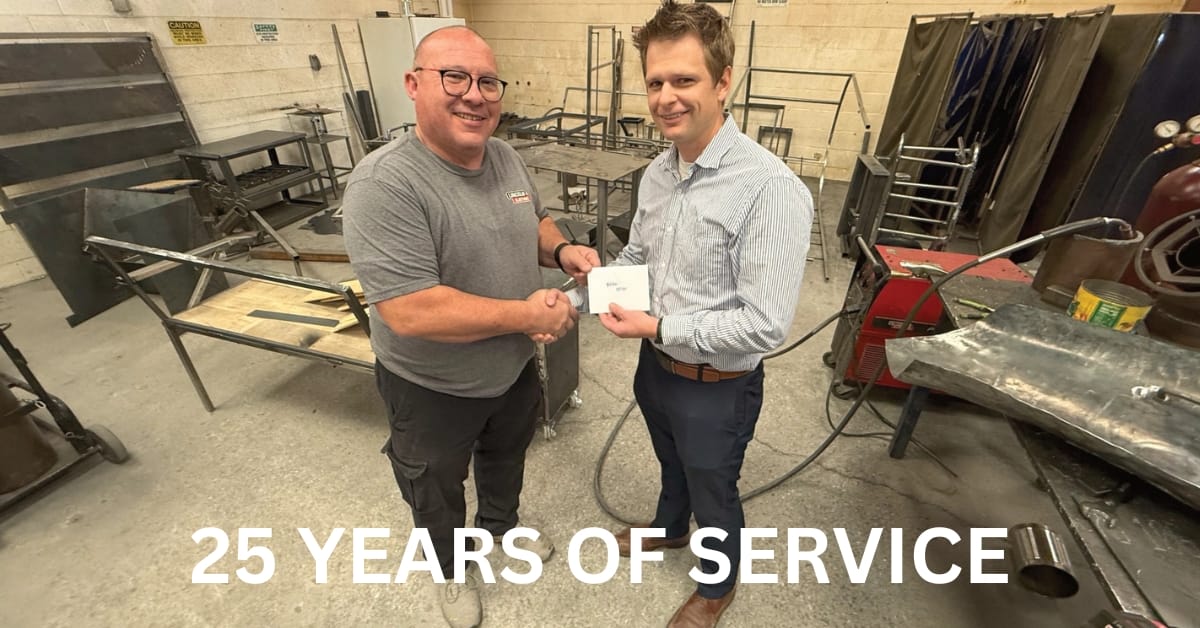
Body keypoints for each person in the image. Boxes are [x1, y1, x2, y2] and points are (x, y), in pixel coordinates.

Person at [340, 25, 599, 628]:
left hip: (509, 367)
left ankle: (501, 530)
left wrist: (562, 252)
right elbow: (410, 309)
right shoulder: (386, 184)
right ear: (414, 84)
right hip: (431, 386)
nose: (474, 96)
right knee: (434, 484)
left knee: (506, 454)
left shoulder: (504, 155)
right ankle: (450, 567)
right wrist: (527, 315)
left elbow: (533, 218)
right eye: (453, 77)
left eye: (486, 81)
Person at [598, 2, 813, 626]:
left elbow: (765, 324)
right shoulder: (658, 173)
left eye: (684, 81)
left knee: (713, 487)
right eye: (656, 82)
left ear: (722, 82)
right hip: (655, 367)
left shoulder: (768, 188)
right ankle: (668, 527)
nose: (666, 97)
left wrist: (661, 326)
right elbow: (641, 252)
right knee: (672, 464)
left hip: (716, 386)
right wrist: (592, 287)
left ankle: (717, 585)